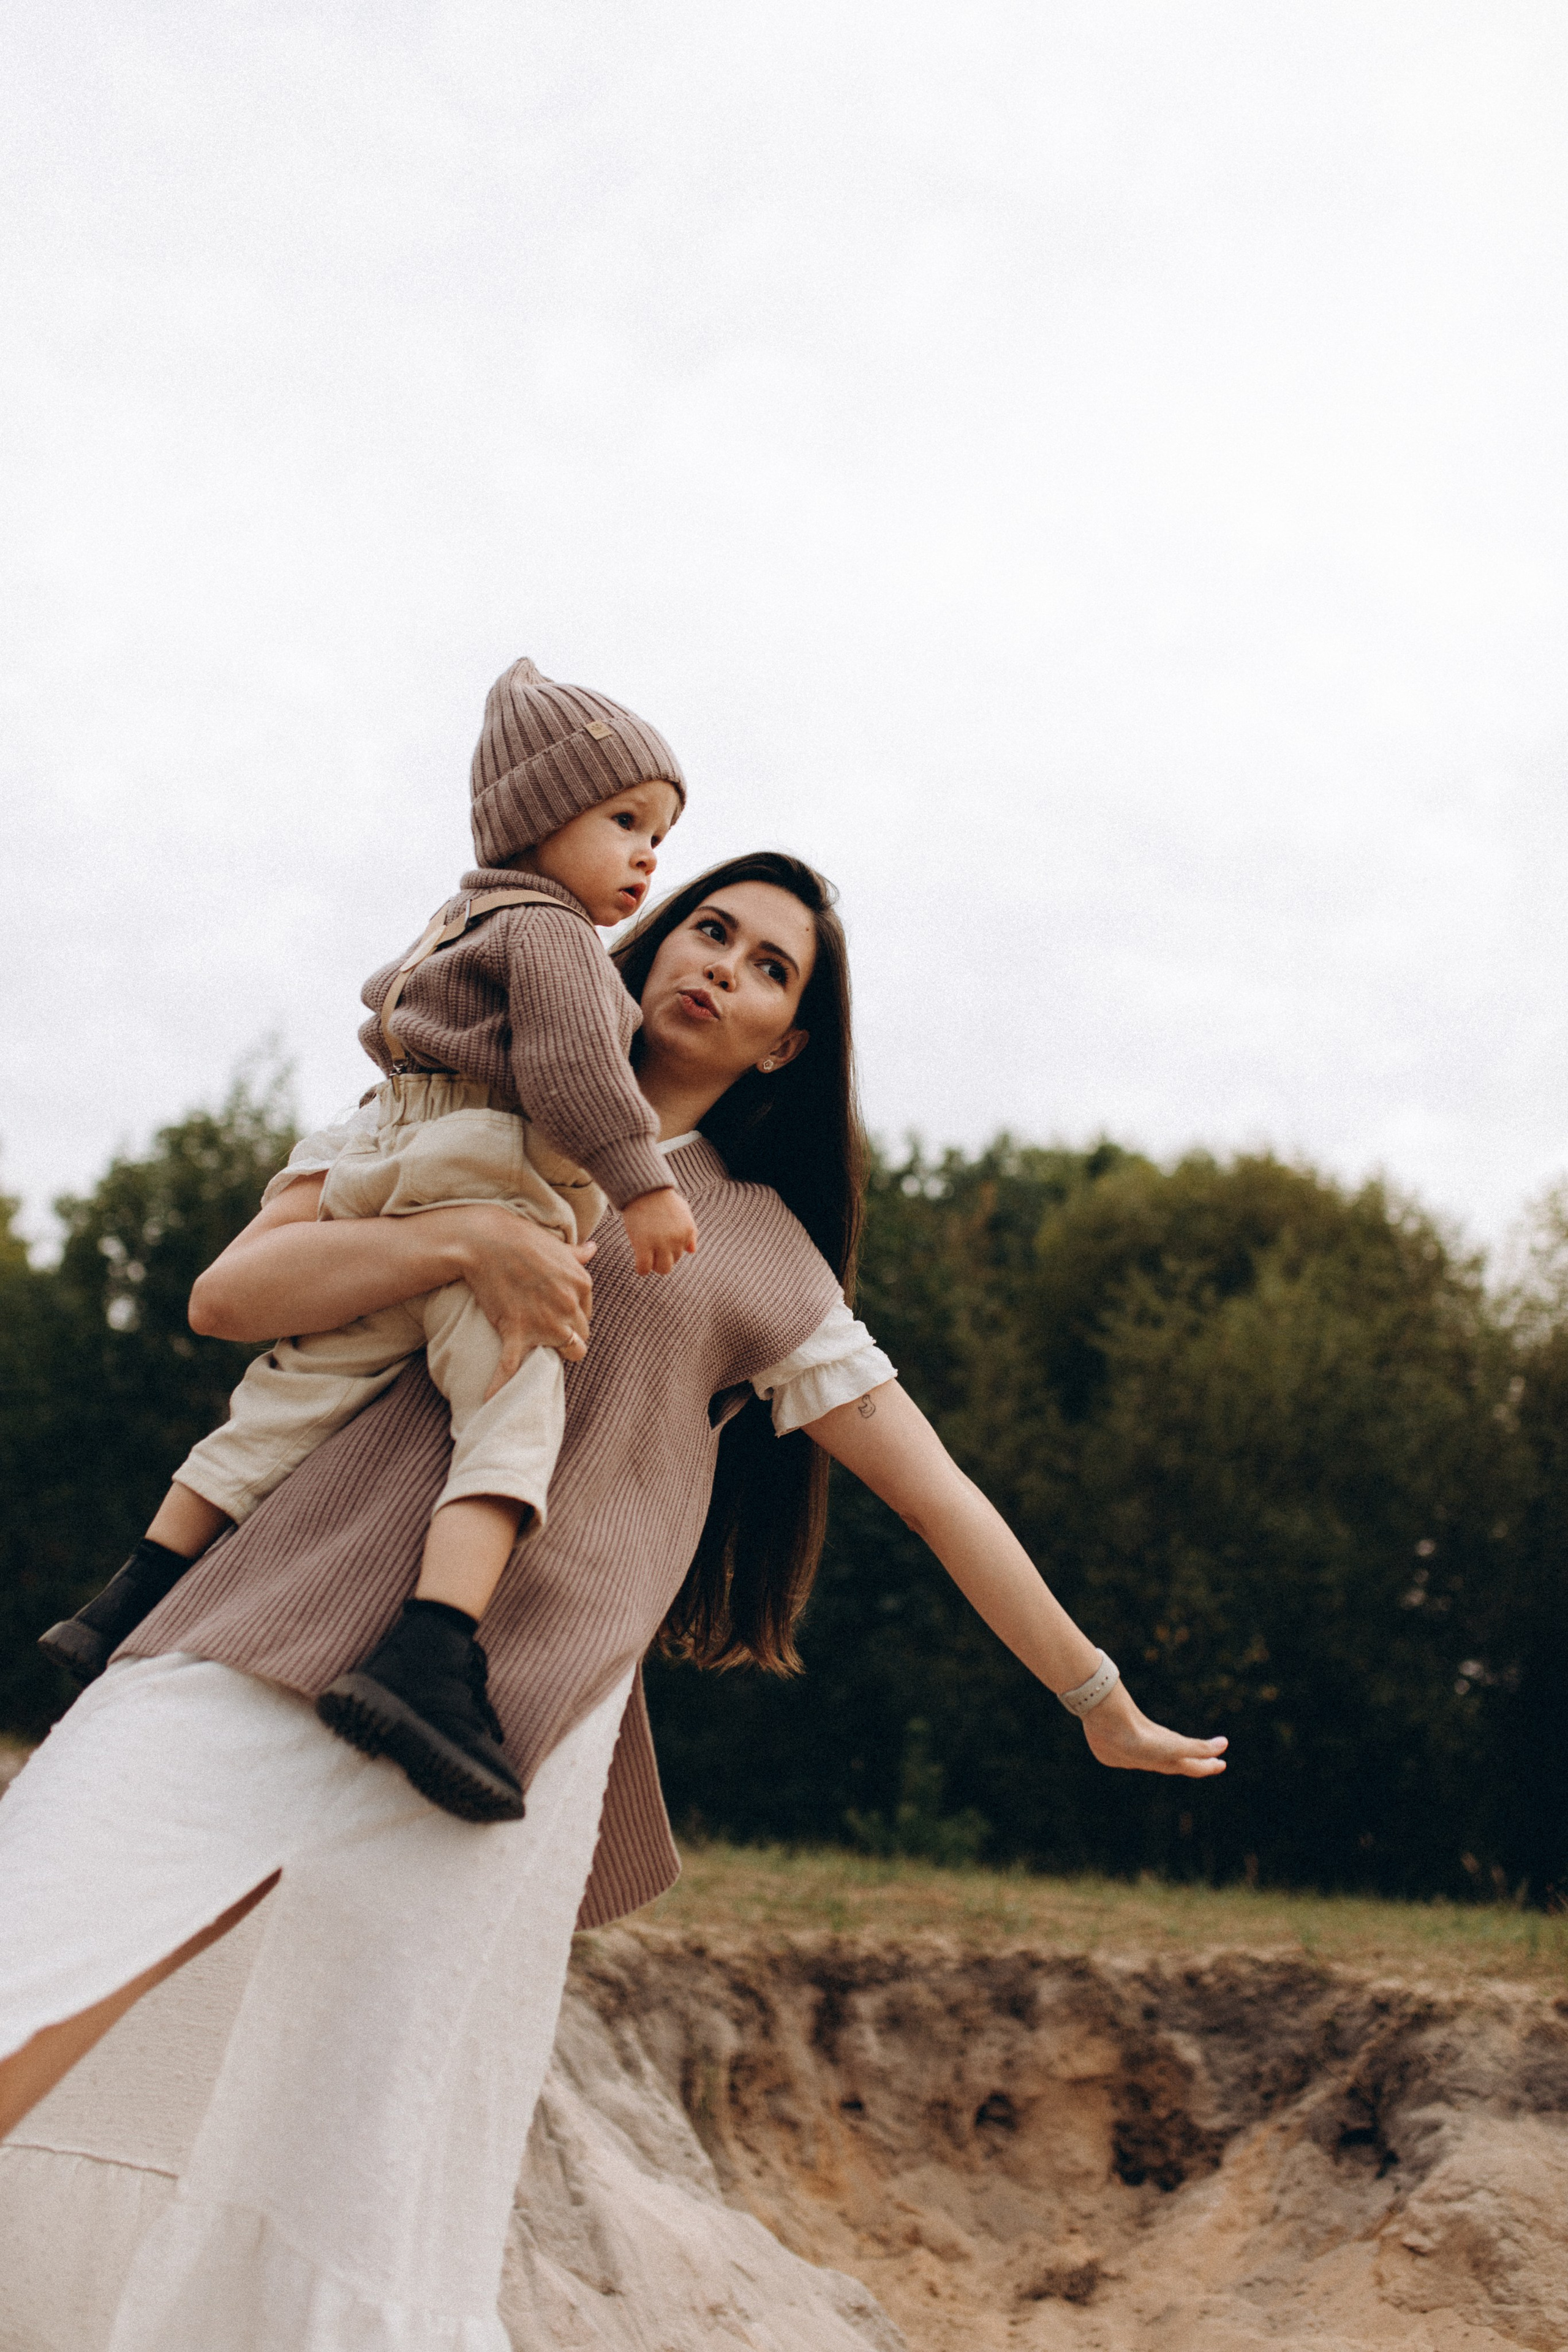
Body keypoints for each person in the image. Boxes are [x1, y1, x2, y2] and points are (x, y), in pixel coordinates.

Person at [0, 851, 1226, 2350]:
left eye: (770, 968)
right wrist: (465, 1235)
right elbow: (230, 1298)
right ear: (647, 947)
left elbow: (935, 1492)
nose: (721, 963)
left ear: (787, 1043)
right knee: (48, 1923)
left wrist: (1097, 1700)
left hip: (498, 1711)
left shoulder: (761, 1252)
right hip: (273, 1606)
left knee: (362, 2130)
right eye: (707, 927)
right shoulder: (456, 1092)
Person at [39, 657, 701, 1823]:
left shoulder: (460, 922)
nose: (650, 855)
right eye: (627, 821)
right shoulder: (552, 936)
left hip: (389, 1168)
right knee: (513, 1396)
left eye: (661, 831)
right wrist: (640, 1183)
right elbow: (569, 1070)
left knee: (294, 1389)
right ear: (541, 819)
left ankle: (132, 1594)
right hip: (489, 1168)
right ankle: (433, 1649)